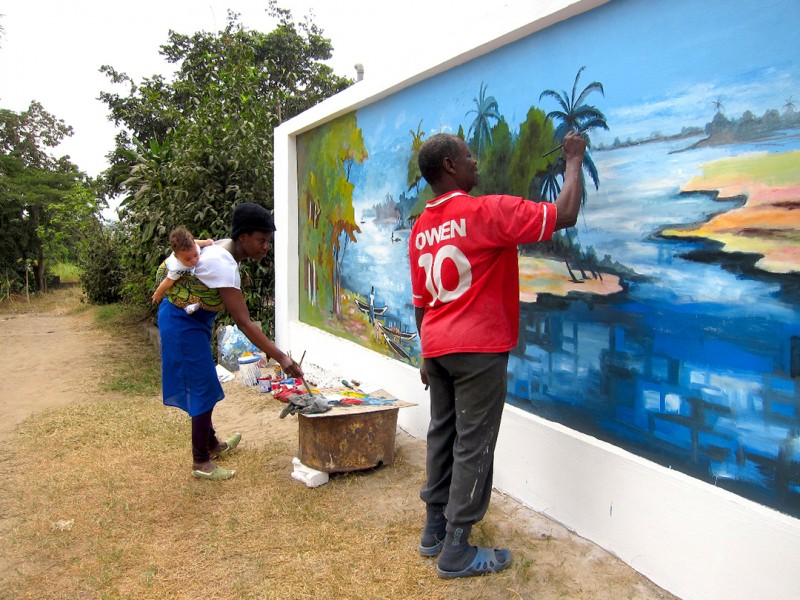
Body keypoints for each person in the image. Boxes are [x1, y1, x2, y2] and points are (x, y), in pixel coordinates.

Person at [408, 130, 586, 578]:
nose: (476, 162)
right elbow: (565, 213)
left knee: (442, 434)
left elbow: (420, 302)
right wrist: (573, 160)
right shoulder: (488, 211)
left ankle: (433, 530)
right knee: (474, 443)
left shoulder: (420, 229)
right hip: (480, 348)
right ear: (449, 165)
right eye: (468, 156)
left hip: (439, 346)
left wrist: (427, 355)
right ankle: (457, 550)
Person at [156, 202, 304, 481]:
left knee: (207, 384)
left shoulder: (224, 249)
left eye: (268, 242)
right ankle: (201, 460)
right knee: (202, 387)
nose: (265, 247)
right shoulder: (223, 262)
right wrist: (282, 358)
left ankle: (211, 444)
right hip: (180, 323)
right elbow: (244, 321)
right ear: (243, 237)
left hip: (193, 321)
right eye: (261, 240)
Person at [151, 226, 214, 313]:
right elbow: (168, 281)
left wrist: (206, 242)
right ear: (177, 257)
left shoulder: (192, 246)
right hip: (170, 279)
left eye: (195, 255)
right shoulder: (177, 267)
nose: (194, 260)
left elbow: (196, 242)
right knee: (178, 295)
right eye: (188, 259)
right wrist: (158, 293)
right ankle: (187, 307)